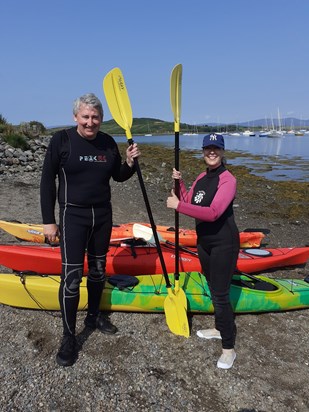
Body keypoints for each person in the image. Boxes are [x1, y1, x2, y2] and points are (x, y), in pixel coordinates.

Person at [40, 93, 140, 367]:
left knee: (97, 271)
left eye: (95, 117)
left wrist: (129, 164)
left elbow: (117, 176)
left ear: (101, 118)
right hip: (73, 216)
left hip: (103, 217)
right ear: (76, 117)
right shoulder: (61, 140)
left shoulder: (107, 142)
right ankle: (69, 336)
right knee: (71, 278)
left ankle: (94, 315)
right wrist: (49, 220)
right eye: (85, 116)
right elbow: (47, 181)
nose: (90, 122)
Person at [166, 133, 239, 369]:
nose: (211, 152)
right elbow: (190, 201)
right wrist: (181, 183)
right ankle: (219, 328)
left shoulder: (228, 180)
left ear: (222, 151)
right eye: (208, 148)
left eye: (216, 148)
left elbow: (214, 212)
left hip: (223, 243)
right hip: (204, 242)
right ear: (203, 151)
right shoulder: (201, 177)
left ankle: (229, 348)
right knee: (212, 287)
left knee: (220, 294)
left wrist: (178, 206)